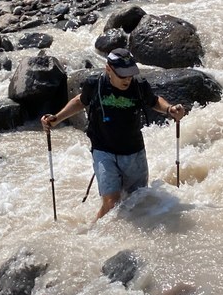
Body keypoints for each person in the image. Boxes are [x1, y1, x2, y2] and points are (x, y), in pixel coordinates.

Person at [41, 48, 185, 220]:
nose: (128, 79)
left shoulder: (139, 86)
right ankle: (92, 232)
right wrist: (56, 118)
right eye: (123, 75)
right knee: (112, 203)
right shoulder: (95, 85)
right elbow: (80, 101)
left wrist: (169, 109)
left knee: (136, 202)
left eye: (130, 74)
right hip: (104, 151)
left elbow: (154, 101)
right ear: (108, 69)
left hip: (134, 152)